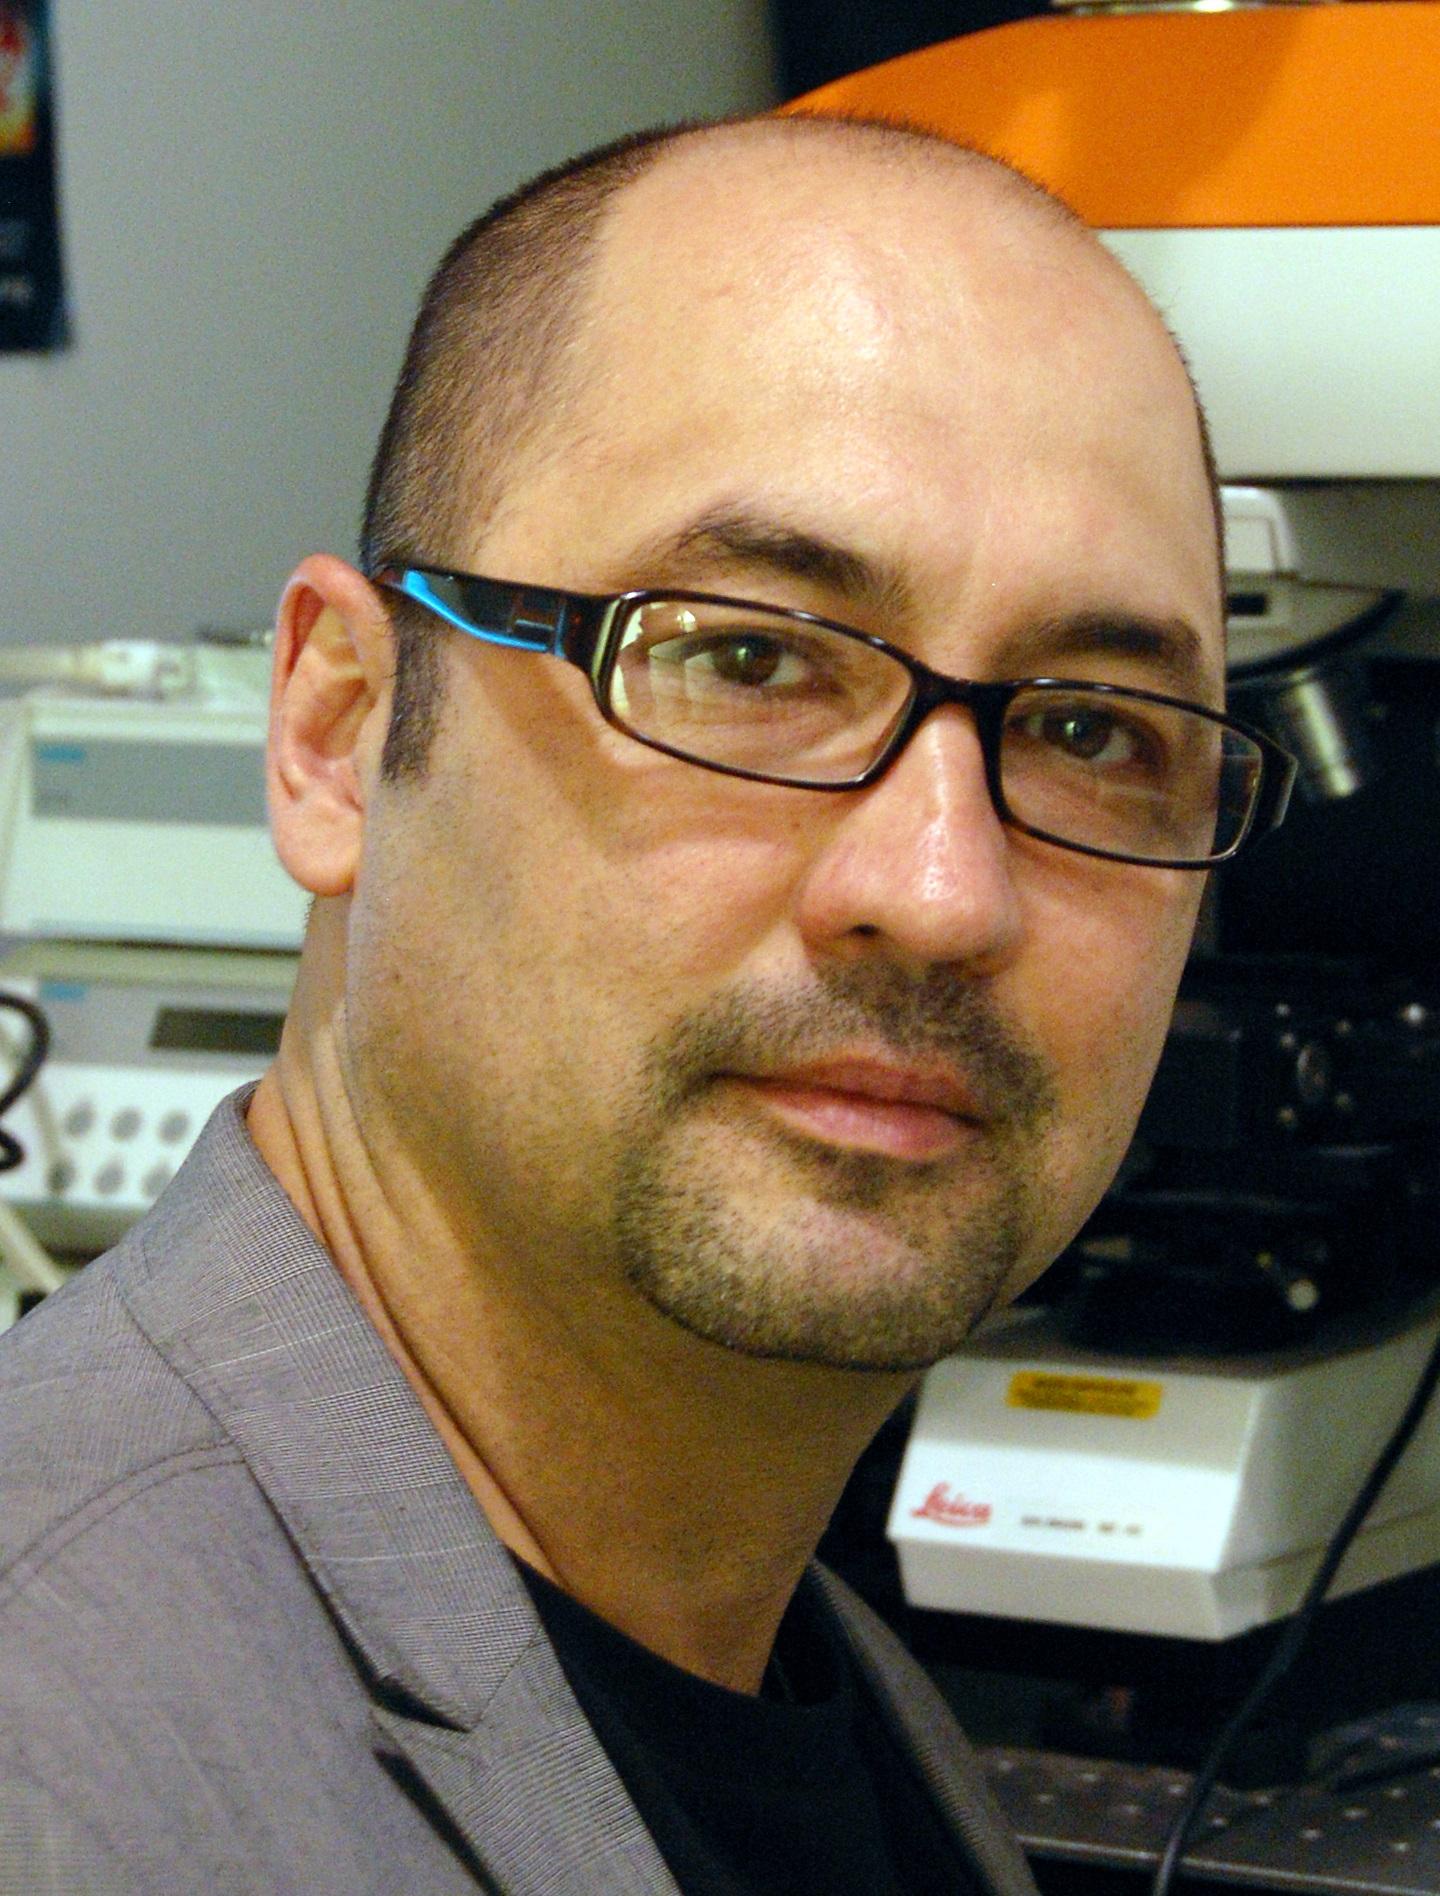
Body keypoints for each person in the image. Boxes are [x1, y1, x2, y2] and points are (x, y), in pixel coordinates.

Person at [0, 114, 1291, 1893]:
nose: (941, 892)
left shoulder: (816, 1698)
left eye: (1090, 732)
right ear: (338, 731)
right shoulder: (62, 1758)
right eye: (749, 659)